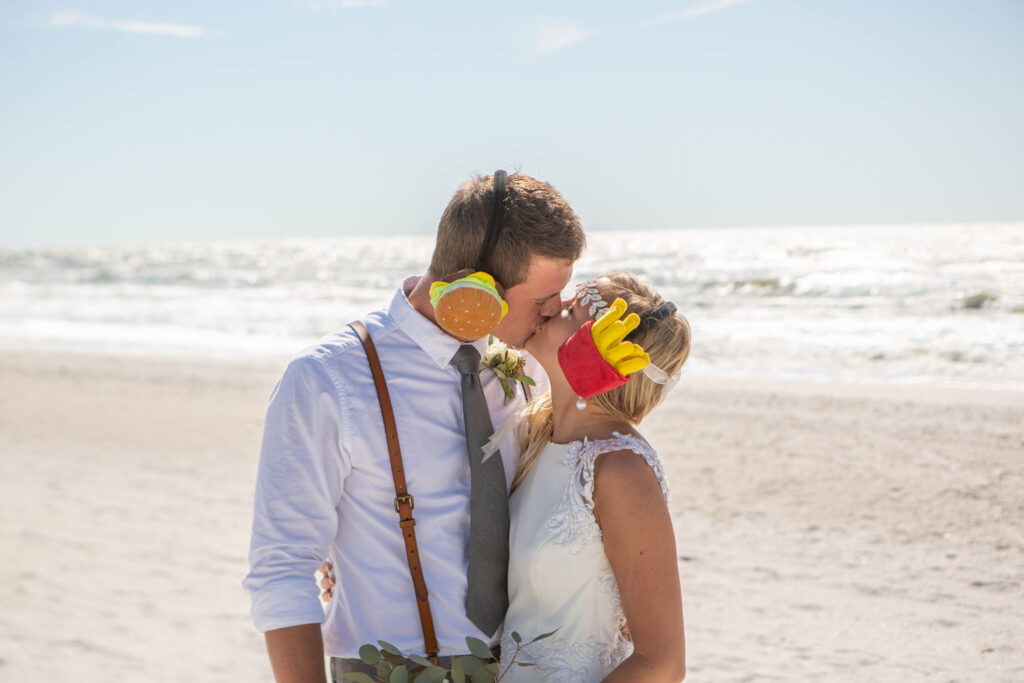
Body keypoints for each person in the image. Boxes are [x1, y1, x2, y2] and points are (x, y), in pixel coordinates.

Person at [243, 171, 586, 683]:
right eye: (541, 301)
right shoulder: (327, 379)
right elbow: (283, 567)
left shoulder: (532, 365)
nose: (556, 311)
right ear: (480, 290)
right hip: (386, 668)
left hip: (529, 665)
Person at [499, 272, 690, 682]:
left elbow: (663, 663)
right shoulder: (534, 435)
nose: (550, 307)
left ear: (600, 351)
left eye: (568, 310)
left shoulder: (620, 470)